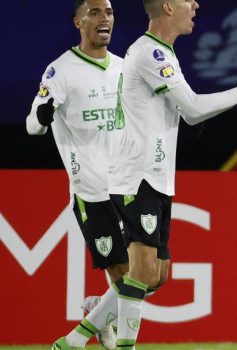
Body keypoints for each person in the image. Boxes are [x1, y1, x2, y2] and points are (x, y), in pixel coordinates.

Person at [52, 0, 237, 348]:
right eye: (186, 0)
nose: (195, 4)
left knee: (156, 276)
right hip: (136, 176)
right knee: (141, 272)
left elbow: (189, 116)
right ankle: (93, 343)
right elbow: (192, 107)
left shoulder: (164, 53)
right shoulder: (149, 54)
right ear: (168, 8)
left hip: (158, 178)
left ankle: (74, 338)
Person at [27, 1, 125, 348]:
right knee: (128, 278)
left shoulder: (124, 68)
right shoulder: (60, 71)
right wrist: (42, 116)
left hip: (128, 186)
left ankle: (94, 315)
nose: (105, 19)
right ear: (78, 21)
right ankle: (84, 339)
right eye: (96, 12)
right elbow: (32, 123)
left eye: (109, 12)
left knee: (148, 277)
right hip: (91, 192)